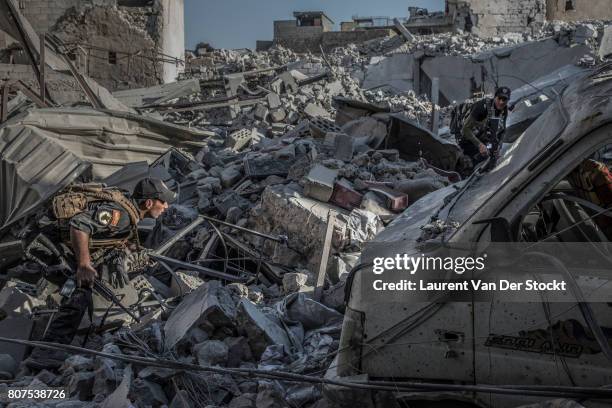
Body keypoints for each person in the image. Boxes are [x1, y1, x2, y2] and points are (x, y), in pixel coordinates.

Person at [25, 177, 175, 370]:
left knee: (85, 288)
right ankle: (45, 353)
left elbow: (104, 237)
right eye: (163, 201)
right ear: (148, 203)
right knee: (79, 290)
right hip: (43, 242)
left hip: (52, 241)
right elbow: (79, 226)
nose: (167, 206)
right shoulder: (121, 215)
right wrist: (84, 265)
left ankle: (59, 346)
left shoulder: (128, 210)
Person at [459, 86, 511, 168]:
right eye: (499, 98)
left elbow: (503, 131)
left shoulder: (504, 110)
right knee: (468, 166)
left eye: (504, 100)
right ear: (495, 97)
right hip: (468, 140)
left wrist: (498, 147)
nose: (501, 102)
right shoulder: (482, 107)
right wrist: (479, 145)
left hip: (485, 140)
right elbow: (465, 129)